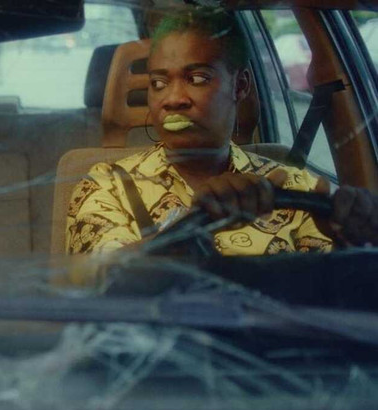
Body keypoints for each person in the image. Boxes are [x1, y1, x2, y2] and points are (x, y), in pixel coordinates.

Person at [66, 9, 378, 256]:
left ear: (240, 86)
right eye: (158, 83)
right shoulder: (108, 185)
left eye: (197, 79)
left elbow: (332, 297)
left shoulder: (295, 188)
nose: (172, 99)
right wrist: (188, 230)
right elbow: (92, 280)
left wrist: (349, 243)